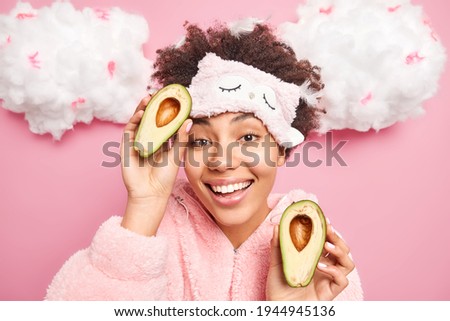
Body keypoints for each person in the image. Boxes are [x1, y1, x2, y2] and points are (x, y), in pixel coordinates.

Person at [45, 22, 363, 300]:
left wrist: (289, 309)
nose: (222, 162)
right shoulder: (151, 236)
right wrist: (144, 205)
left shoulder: (324, 261)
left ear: (280, 149)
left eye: (248, 138)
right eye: (199, 141)